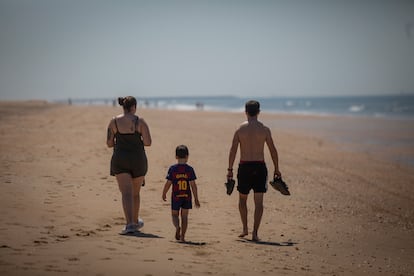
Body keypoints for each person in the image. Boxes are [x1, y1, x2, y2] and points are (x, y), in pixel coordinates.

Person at [227, 100, 281, 241]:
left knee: (242, 200)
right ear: (258, 112)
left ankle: (245, 228)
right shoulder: (264, 129)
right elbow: (273, 150)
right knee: (258, 202)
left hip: (244, 167)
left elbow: (233, 150)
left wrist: (230, 169)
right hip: (259, 167)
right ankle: (255, 233)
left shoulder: (239, 129)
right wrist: (277, 169)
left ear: (245, 111)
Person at [107, 96, 152, 235]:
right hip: (138, 159)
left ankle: (129, 224)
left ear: (123, 107)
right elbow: (148, 142)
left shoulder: (114, 121)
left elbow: (109, 143)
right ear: (134, 107)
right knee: (135, 193)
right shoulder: (140, 121)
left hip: (120, 158)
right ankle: (135, 221)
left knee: (125, 192)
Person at [162, 145, 200, 242]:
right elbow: (193, 185)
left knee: (175, 215)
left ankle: (177, 227)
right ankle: (182, 237)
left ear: (176, 156)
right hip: (186, 196)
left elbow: (168, 183)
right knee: (185, 216)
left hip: (176, 196)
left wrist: (164, 192)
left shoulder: (173, 169)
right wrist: (196, 198)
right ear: (187, 156)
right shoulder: (189, 169)